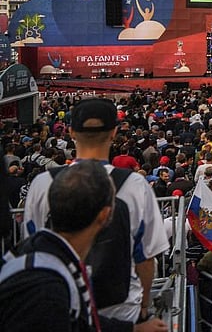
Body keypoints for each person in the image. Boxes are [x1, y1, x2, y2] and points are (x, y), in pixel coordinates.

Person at [23, 98, 169, 325]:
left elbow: (33, 245)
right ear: (114, 133)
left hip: (61, 305)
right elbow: (146, 257)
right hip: (121, 309)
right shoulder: (135, 185)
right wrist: (144, 307)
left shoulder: (42, 184)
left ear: (71, 132)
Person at [0, 159, 166, 332]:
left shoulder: (49, 256)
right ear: (105, 215)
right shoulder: (46, 291)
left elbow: (81, 322)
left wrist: (134, 329)